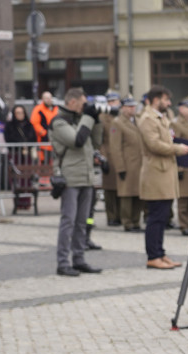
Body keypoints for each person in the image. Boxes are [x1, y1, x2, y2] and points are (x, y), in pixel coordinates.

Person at [49, 87, 104, 276]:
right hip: (70, 179)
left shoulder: (80, 120)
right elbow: (77, 141)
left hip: (87, 177)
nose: (84, 107)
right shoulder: (59, 122)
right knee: (68, 221)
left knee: (82, 222)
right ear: (72, 102)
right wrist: (88, 117)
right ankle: (63, 262)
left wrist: (95, 119)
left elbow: (96, 142)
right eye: (82, 103)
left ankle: (79, 259)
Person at [138, 84, 188, 269]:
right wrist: (178, 149)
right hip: (155, 173)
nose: (169, 103)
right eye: (166, 99)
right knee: (156, 216)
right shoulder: (147, 119)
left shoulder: (161, 118)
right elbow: (154, 145)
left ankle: (160, 252)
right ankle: (153, 256)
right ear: (157, 100)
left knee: (163, 215)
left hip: (164, 172)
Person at [107, 97, 144, 231]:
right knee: (127, 194)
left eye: (133, 106)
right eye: (129, 107)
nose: (132, 109)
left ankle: (136, 221)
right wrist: (120, 167)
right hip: (127, 164)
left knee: (138, 194)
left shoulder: (137, 121)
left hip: (139, 164)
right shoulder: (117, 123)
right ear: (122, 108)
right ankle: (127, 222)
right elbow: (115, 148)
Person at [170, 97, 188, 236]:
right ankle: (184, 225)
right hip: (184, 165)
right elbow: (175, 145)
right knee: (184, 200)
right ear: (181, 109)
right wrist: (179, 169)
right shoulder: (176, 124)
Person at [99, 92, 121, 227]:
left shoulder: (121, 117)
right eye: (111, 101)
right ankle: (111, 216)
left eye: (115, 101)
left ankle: (121, 215)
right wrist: (103, 158)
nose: (113, 104)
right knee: (110, 189)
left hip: (120, 155)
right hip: (108, 154)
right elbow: (100, 140)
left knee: (121, 188)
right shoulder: (102, 118)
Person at [30, 91, 59, 161]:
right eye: (46, 98)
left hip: (56, 142)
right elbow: (34, 123)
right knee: (44, 162)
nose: (48, 100)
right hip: (43, 142)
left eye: (49, 98)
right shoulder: (38, 109)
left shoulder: (56, 109)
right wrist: (44, 133)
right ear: (42, 99)